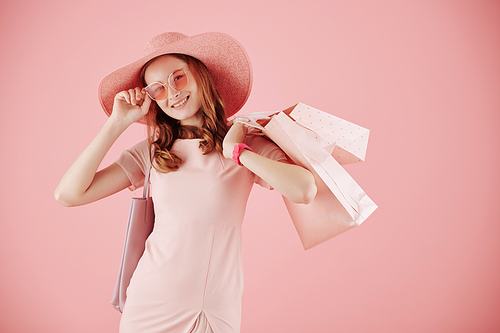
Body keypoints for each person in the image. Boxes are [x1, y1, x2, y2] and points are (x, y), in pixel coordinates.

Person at [55, 32, 317, 333]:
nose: (172, 93)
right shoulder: (154, 152)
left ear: (200, 76)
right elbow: (68, 194)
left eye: (177, 78)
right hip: (151, 305)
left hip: (216, 308)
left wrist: (237, 152)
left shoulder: (245, 142)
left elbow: (304, 190)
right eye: (158, 89)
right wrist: (116, 123)